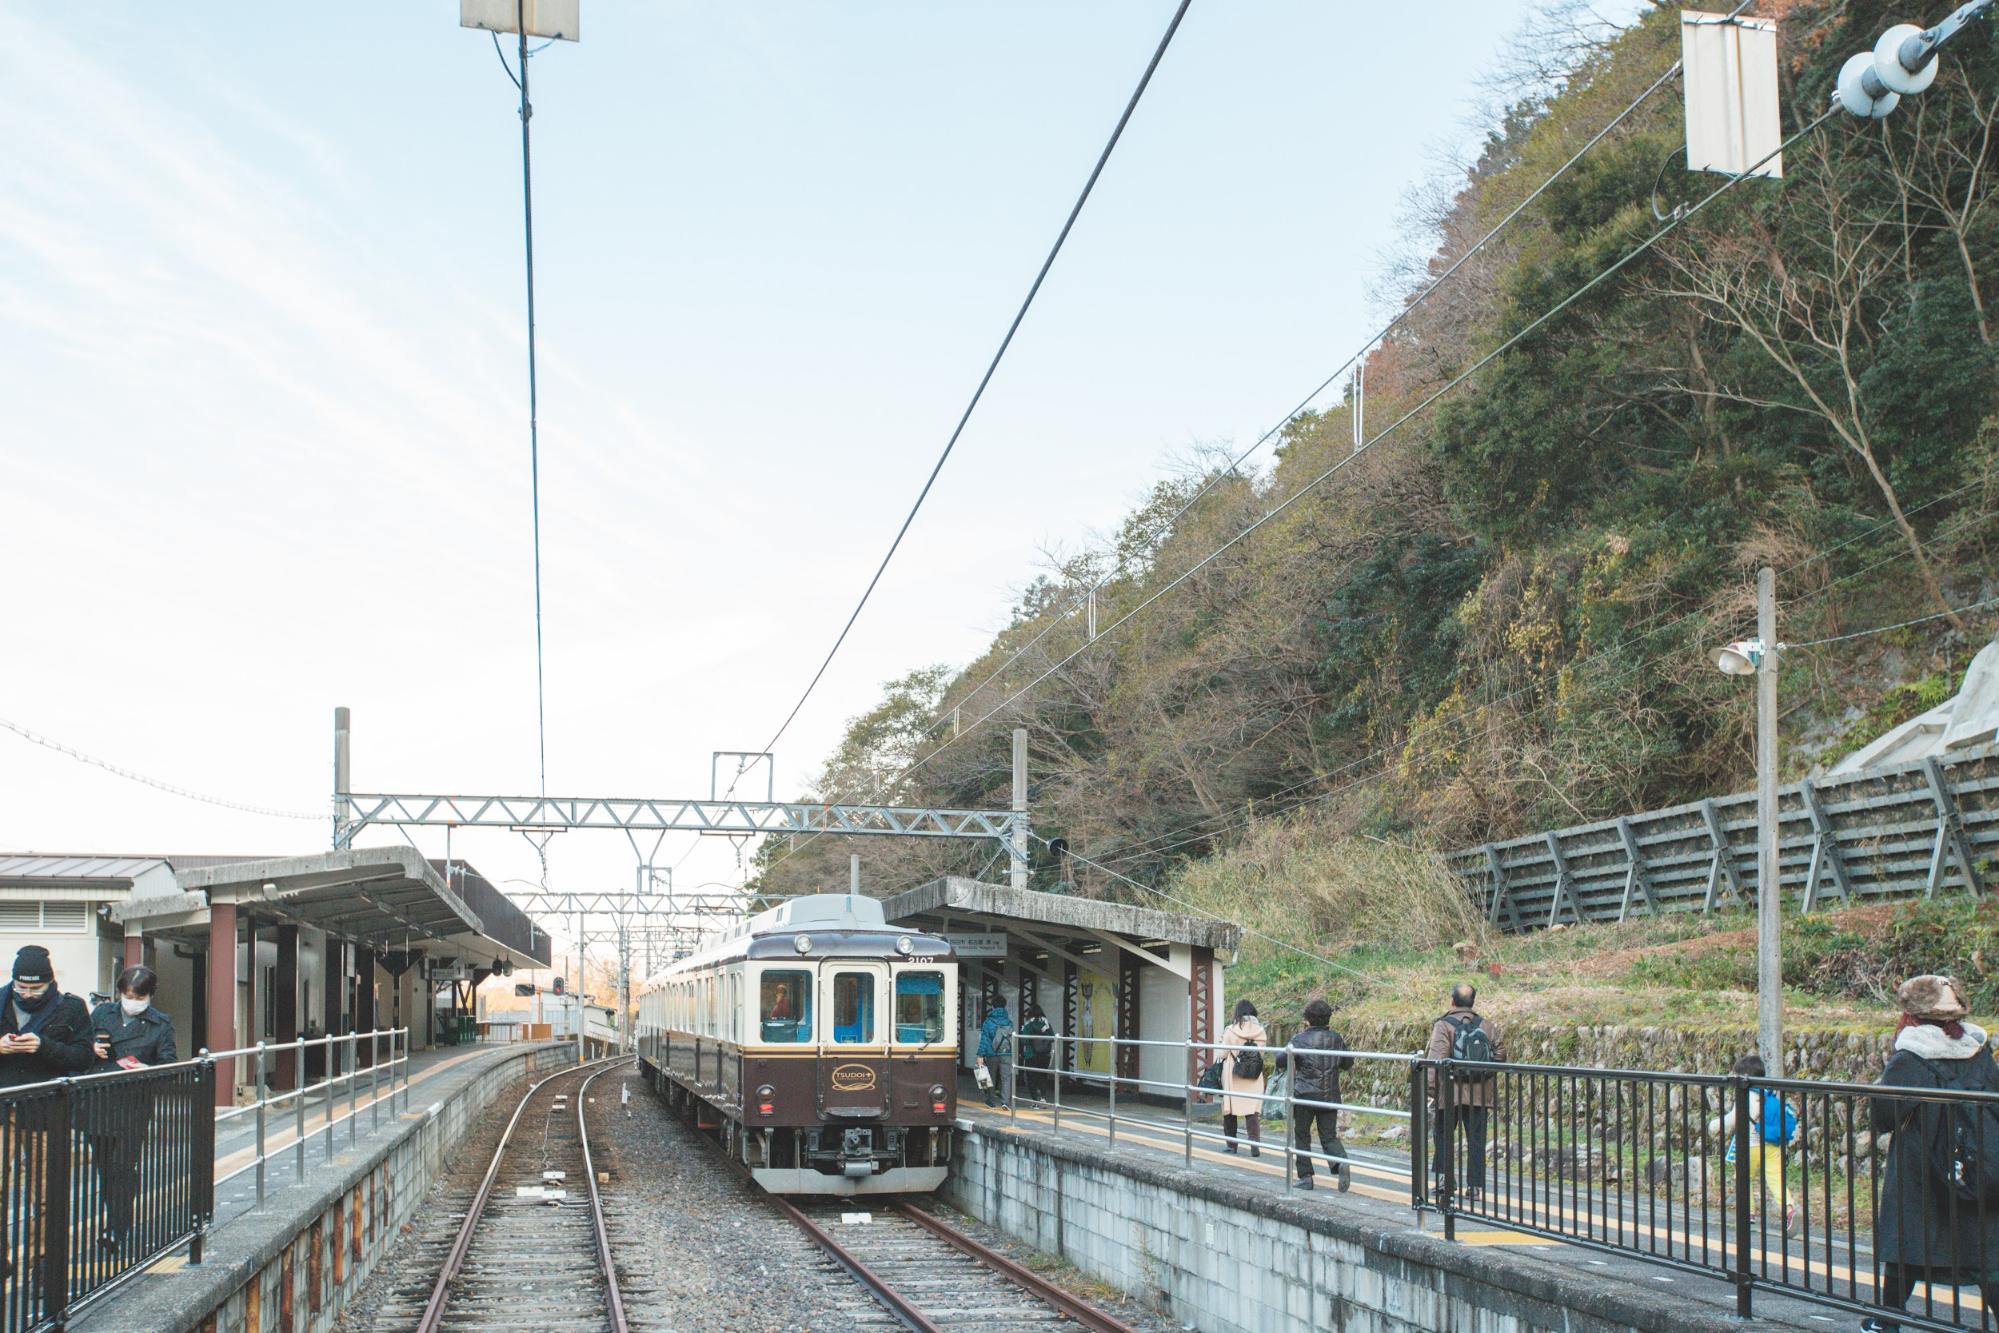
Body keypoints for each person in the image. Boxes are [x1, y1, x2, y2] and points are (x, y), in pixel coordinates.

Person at [1863, 974, 1999, 1333]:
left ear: (1912, 1014)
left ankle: (1887, 1321)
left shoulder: (1910, 1056)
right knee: (1985, 1251)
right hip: (1977, 1164)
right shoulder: (1977, 1050)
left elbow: (1884, 1116)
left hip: (1920, 1167)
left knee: (1908, 1242)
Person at [0, 946, 96, 1292]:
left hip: (47, 1111)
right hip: (3, 1108)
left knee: (46, 1193)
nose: (26, 995)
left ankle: (43, 1263)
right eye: (20, 988)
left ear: (49, 982)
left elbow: (83, 1058)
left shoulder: (70, 1008)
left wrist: (43, 1046)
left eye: (34, 989)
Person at [85, 965, 177, 1251]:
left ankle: (116, 1228)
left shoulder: (160, 1023)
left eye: (138, 997)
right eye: (127, 995)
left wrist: (144, 1068)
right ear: (119, 993)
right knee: (104, 1168)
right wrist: (92, 1049)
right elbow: (80, 1045)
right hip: (99, 1100)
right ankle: (114, 1220)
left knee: (122, 1167)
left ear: (149, 996)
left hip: (133, 1104)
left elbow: (169, 1065)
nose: (132, 1001)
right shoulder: (101, 1014)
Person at [1705, 1054, 1801, 1238]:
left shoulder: (1745, 1095)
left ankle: (1748, 1213)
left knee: (1744, 1177)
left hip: (1750, 1145)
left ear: (1742, 1076)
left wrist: (1713, 1126)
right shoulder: (1769, 1093)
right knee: (1775, 1179)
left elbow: (1731, 1121)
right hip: (1773, 1145)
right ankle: (1789, 1210)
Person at [1426, 983, 1505, 1199]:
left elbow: (1435, 1059)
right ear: (1473, 1002)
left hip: (1448, 1093)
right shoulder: (1485, 1025)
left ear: (1452, 1001)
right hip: (1479, 1094)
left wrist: (1430, 1091)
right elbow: (1500, 1053)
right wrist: (1483, 1074)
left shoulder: (1443, 1025)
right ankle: (1475, 1187)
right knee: (1476, 1139)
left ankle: (1445, 1181)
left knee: (1443, 1136)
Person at [1280, 998, 1355, 1191]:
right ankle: (1340, 1162)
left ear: (1308, 1020)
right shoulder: (1336, 1039)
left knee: (1302, 1135)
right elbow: (1348, 1064)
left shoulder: (1299, 1039)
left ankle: (1306, 1177)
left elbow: (1281, 1060)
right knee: (1328, 1135)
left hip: (1304, 1095)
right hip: (1329, 1095)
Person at [1220, 998, 1268, 1157]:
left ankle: (1231, 1145)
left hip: (1234, 1074)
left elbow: (1223, 1053)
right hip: (1254, 1075)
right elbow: (1261, 1054)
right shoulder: (1261, 1031)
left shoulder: (1230, 1031)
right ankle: (1254, 1145)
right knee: (1251, 1111)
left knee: (1230, 1110)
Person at [976, 999, 1015, 1109]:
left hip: (992, 1053)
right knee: (1006, 1078)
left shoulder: (988, 1021)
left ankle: (991, 1101)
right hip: (1007, 1053)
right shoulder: (1009, 1022)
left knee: (991, 1077)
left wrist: (980, 1055)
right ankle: (1005, 1102)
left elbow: (984, 1039)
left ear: (992, 1007)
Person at [1017, 1003, 1054, 1102]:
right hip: (1045, 1055)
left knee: (1031, 1078)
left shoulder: (1028, 1024)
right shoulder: (1046, 1023)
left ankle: (1035, 1099)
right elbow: (1053, 1037)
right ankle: (1043, 1097)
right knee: (1043, 1077)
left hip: (1031, 1055)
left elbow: (1024, 1041)